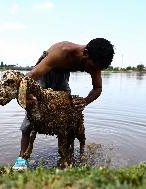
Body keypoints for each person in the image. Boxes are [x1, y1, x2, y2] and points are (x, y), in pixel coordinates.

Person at [12, 38, 114, 170]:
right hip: (44, 71)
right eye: (91, 67)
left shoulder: (96, 62)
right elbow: (32, 75)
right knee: (32, 115)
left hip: (62, 74)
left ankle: (65, 158)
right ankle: (21, 159)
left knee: (70, 111)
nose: (93, 71)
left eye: (97, 69)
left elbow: (97, 88)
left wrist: (85, 101)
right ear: (86, 53)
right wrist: (23, 95)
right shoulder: (62, 52)